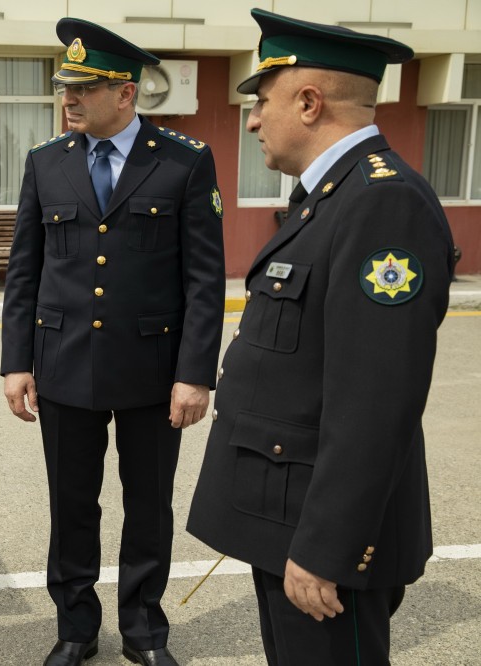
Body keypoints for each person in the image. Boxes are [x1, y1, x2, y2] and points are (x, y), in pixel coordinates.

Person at [187, 9, 456, 665]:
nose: (252, 121)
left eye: (262, 101)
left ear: (308, 102)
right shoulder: (328, 198)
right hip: (288, 517)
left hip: (319, 536)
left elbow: (376, 400)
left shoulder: (381, 203)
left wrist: (325, 548)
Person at [1, 17, 226, 666]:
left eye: (84, 88)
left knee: (148, 507)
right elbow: (26, 269)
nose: (68, 98)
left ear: (125, 93)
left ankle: (143, 632)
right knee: (72, 506)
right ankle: (75, 628)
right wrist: (16, 361)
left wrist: (195, 373)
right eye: (65, 86)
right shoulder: (46, 164)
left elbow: (204, 279)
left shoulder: (183, 162)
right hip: (65, 365)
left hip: (153, 371)